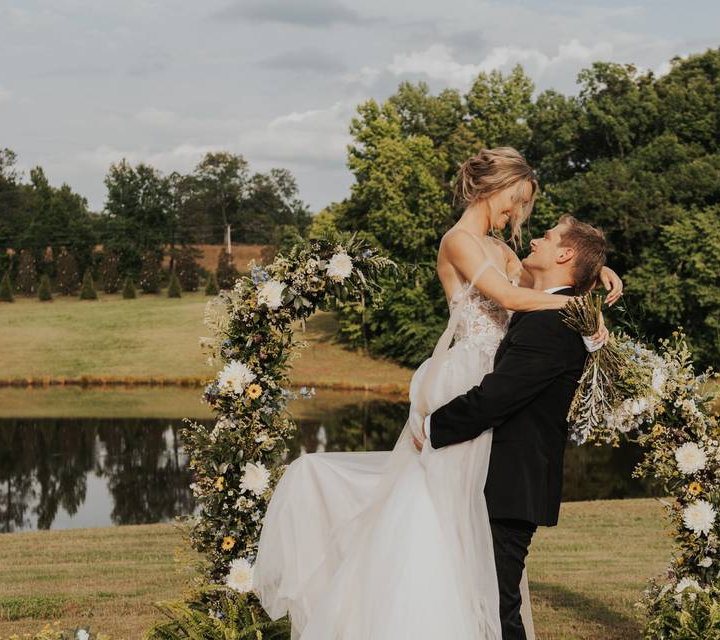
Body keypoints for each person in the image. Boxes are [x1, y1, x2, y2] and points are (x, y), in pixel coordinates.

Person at [251, 147, 620, 639]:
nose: (522, 212)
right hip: (467, 373)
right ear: (500, 190)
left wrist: (597, 276)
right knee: (436, 507)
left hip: (500, 377)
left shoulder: (504, 250)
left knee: (474, 523)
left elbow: (552, 279)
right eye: (520, 199)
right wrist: (584, 310)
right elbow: (513, 298)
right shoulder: (459, 241)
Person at [414, 213, 608, 639]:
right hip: (505, 479)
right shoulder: (550, 313)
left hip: (511, 483)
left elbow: (495, 399)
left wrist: (431, 427)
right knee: (482, 601)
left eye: (548, 236)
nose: (536, 239)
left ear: (565, 253)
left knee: (497, 608)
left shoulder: (550, 324)